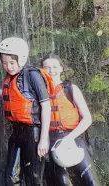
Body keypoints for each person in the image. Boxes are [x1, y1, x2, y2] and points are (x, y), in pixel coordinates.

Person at [0, 37, 51, 186]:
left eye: (11, 63)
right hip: (16, 132)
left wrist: (43, 138)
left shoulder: (33, 75)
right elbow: (7, 96)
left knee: (33, 176)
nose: (8, 67)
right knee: (11, 177)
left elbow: (46, 106)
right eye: (4, 63)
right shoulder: (10, 78)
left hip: (33, 133)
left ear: (21, 59)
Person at [41, 55, 99, 186]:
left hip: (74, 137)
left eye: (55, 67)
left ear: (61, 68)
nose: (51, 70)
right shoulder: (39, 91)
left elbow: (87, 118)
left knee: (91, 181)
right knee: (62, 182)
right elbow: (11, 96)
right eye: (47, 67)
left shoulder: (70, 88)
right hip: (51, 140)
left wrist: (69, 138)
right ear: (42, 70)